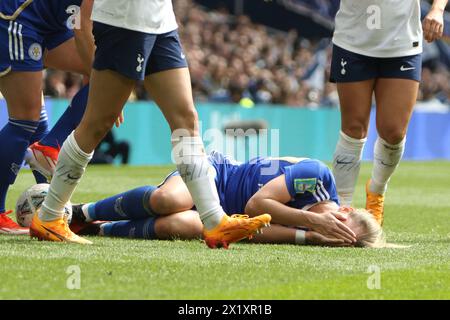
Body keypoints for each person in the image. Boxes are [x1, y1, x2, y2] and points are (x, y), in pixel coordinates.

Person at [31, 0, 271, 247]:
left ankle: (214, 222)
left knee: (186, 120)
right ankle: (50, 215)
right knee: (96, 124)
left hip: (160, 19)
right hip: (126, 19)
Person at [70, 151, 360, 247]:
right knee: (169, 201)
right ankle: (81, 212)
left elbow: (248, 230)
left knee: (189, 226)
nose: (331, 230)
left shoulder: (307, 232)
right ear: (345, 209)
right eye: (340, 224)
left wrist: (308, 236)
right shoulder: (318, 176)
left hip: (217, 216)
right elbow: (255, 207)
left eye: (339, 237)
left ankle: (100, 228)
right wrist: (312, 222)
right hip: (216, 174)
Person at [330, 0, 447, 225]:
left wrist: (437, 10)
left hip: (402, 44)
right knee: (353, 128)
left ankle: (376, 191)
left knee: (393, 132)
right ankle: (341, 207)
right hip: (353, 42)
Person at [0, 0, 95, 234]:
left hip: (48, 22)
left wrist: (103, 88)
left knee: (113, 74)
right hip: (17, 17)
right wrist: (107, 94)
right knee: (25, 120)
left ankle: (50, 208)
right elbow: (84, 29)